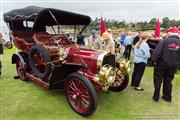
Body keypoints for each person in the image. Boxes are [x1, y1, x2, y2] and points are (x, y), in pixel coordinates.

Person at [152, 27, 180, 102]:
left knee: (158, 80)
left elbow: (156, 53)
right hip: (173, 66)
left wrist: (154, 61)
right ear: (177, 33)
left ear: (169, 33)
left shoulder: (164, 41)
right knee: (168, 81)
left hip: (161, 64)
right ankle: (167, 97)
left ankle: (156, 97)